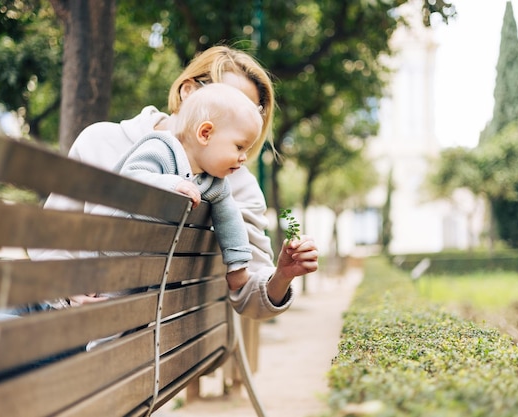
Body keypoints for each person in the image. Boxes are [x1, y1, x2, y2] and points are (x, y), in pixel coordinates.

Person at [31, 45, 319, 320]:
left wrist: (281, 275)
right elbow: (49, 243)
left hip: (94, 339)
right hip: (60, 306)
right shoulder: (102, 140)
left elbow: (249, 294)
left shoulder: (236, 186)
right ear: (188, 91)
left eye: (250, 111)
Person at [93, 82, 262, 292]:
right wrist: (172, 184)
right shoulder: (161, 149)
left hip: (149, 267)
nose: (244, 157)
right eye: (239, 146)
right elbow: (130, 178)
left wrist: (238, 266)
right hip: (110, 253)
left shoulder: (214, 183)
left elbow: (229, 218)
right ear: (205, 134)